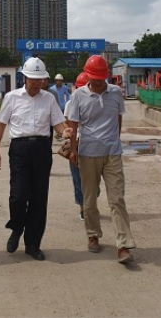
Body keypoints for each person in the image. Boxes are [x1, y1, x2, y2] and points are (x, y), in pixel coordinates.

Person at [0, 57, 66, 261]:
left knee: (39, 199)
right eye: (33, 78)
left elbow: (58, 123)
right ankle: (17, 227)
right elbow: (0, 124)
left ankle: (33, 244)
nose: (36, 83)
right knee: (18, 195)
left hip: (42, 149)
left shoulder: (49, 99)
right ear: (24, 77)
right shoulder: (12, 97)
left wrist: (65, 132)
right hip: (19, 149)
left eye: (40, 79)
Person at [65, 55, 137, 265]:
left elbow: (118, 117)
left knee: (117, 199)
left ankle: (123, 244)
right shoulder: (78, 96)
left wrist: (116, 139)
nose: (97, 82)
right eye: (93, 78)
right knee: (89, 199)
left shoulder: (115, 93)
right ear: (87, 75)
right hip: (88, 153)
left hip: (112, 153)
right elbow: (73, 124)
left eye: (100, 78)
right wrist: (73, 150)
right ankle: (93, 234)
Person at [67, 72, 89, 221]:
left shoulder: (95, 101)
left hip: (92, 145)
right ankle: (83, 208)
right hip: (77, 143)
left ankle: (90, 202)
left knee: (93, 179)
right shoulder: (70, 104)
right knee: (78, 179)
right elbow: (66, 122)